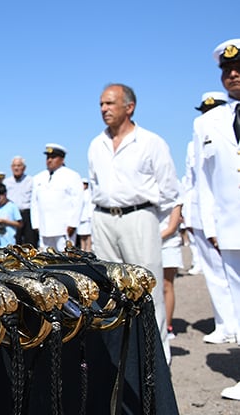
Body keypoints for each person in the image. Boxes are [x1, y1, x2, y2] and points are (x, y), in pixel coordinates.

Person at [88, 83, 180, 365]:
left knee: (148, 291)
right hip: (104, 219)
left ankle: (158, 362)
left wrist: (167, 227)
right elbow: (94, 185)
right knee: (109, 291)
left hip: (139, 218)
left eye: (110, 104)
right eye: (102, 104)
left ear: (129, 107)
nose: (104, 109)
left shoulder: (151, 142)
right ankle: (118, 360)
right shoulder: (96, 144)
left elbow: (170, 192)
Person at [196, 40, 240, 400]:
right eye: (227, 70)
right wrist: (210, 226)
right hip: (230, 228)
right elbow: (204, 180)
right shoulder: (209, 121)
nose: (232, 74)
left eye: (238, 68)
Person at [186, 91, 236, 345]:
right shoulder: (195, 140)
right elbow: (194, 183)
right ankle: (224, 322)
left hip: (227, 213)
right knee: (215, 274)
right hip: (204, 213)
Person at [30, 143, 84, 251]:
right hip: (44, 227)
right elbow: (34, 202)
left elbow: (77, 202)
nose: (49, 160)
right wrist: (35, 224)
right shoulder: (39, 177)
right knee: (46, 259)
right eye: (48, 157)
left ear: (62, 159)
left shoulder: (72, 176)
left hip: (63, 228)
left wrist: (72, 224)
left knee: (65, 259)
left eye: (53, 157)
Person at [3, 156, 38, 246]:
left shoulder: (31, 181)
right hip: (13, 216)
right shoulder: (6, 182)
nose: (16, 168)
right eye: (14, 166)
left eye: (19, 165)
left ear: (24, 167)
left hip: (27, 214)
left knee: (30, 242)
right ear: (11, 167)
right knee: (15, 242)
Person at [160, 201, 183, 340]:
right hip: (146, 242)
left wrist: (151, 239)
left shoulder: (175, 193)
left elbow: (172, 226)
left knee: (166, 285)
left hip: (168, 243)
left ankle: (167, 326)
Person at [0, 182, 22, 249]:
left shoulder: (12, 206)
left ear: (5, 194)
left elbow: (20, 224)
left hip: (9, 244)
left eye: (0, 197)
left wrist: (5, 222)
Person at [77, 179, 94, 251]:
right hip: (80, 217)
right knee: (82, 235)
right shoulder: (79, 193)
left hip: (87, 217)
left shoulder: (89, 194)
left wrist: (90, 216)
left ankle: (88, 249)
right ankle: (82, 248)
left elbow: (91, 205)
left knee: (88, 234)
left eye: (85, 184)